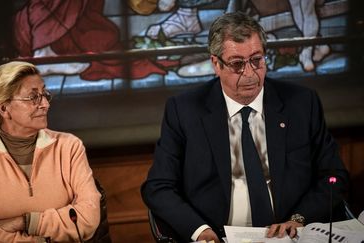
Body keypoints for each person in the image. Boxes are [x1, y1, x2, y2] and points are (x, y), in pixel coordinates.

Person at [141, 12, 348, 243]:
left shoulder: (301, 103)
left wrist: (299, 219)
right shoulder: (184, 111)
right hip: (217, 235)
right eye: (237, 64)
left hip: (289, 234)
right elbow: (158, 187)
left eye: (256, 60)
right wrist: (201, 232)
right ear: (216, 64)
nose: (250, 74)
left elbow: (333, 175)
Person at [0, 61, 101, 242]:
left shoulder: (69, 146)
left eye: (45, 94)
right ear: (3, 108)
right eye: (33, 97)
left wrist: (27, 221)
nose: (45, 104)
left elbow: (87, 220)